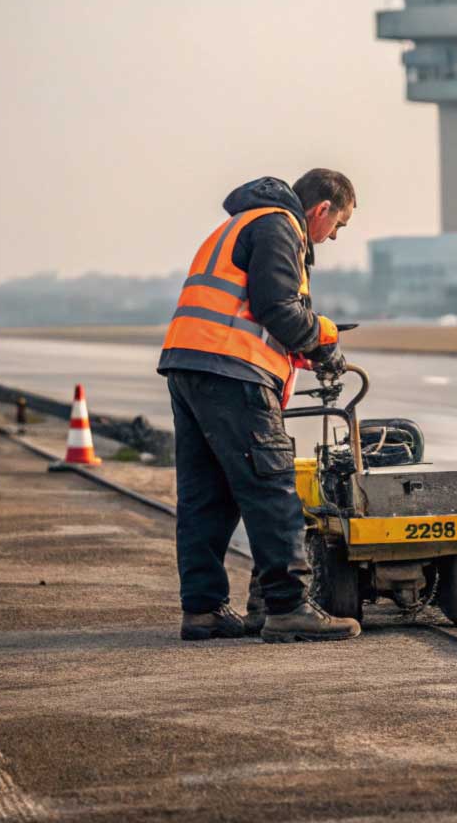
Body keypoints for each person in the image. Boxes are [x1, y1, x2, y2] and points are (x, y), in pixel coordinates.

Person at [157, 170, 359, 643]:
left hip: (192, 365)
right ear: (321, 211)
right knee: (272, 486)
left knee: (208, 495)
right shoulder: (279, 226)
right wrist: (323, 339)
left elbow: (248, 312)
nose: (333, 237)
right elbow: (279, 307)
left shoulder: (239, 223)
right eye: (339, 225)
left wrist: (299, 350)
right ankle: (289, 607)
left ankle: (204, 610)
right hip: (232, 372)